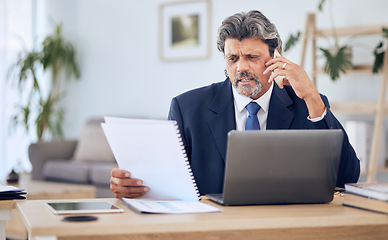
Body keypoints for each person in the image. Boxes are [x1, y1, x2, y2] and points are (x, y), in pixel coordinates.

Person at [110, 10, 360, 198]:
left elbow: (348, 176)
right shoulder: (187, 109)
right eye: (233, 58)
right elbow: (165, 183)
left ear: (276, 58)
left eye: (252, 57)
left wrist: (312, 97)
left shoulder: (305, 103)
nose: (241, 68)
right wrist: (132, 185)